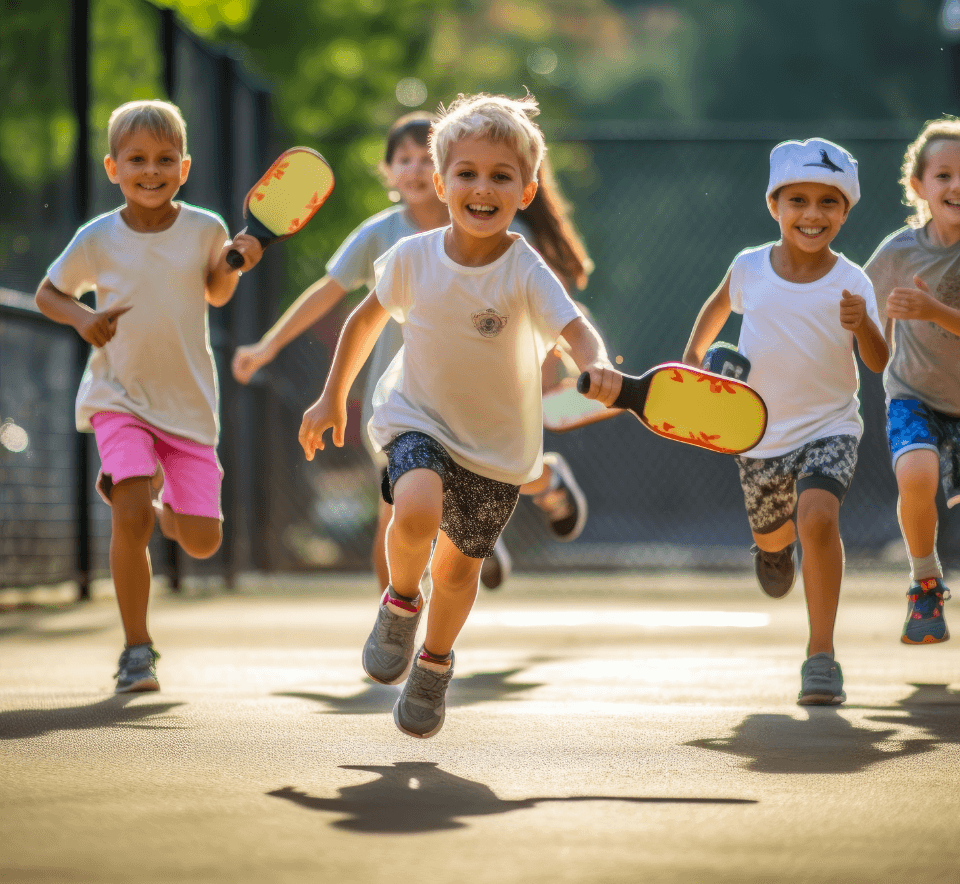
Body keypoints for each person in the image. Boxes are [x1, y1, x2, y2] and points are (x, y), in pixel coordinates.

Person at [297, 91, 619, 738]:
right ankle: (398, 602)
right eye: (467, 173)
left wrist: (600, 362)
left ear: (526, 191)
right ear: (441, 183)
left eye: (502, 176)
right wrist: (332, 394)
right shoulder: (414, 256)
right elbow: (364, 322)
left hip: (497, 447)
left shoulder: (525, 268)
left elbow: (574, 332)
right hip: (418, 418)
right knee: (413, 509)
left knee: (460, 568)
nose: (482, 187)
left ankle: (435, 662)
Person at [231, 113, 590, 593]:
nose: (416, 169)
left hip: (485, 400)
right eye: (405, 159)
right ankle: (396, 624)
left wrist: (565, 359)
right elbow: (329, 292)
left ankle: (540, 484)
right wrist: (268, 345)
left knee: (489, 481)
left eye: (425, 157)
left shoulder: (492, 220)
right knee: (400, 510)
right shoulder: (386, 237)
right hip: (404, 401)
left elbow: (551, 307)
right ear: (390, 173)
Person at [34, 99, 262, 693]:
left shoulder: (207, 229)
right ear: (113, 168)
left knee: (202, 541)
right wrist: (84, 320)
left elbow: (216, 292)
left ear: (184, 169)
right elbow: (48, 294)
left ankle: (149, 502)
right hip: (119, 397)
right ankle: (138, 650)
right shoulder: (97, 238)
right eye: (136, 159)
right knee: (129, 518)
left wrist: (238, 262)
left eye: (165, 160)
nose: (151, 171)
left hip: (188, 407)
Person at [682, 137, 888, 706]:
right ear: (774, 206)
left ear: (845, 212)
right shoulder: (750, 267)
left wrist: (863, 325)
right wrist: (693, 355)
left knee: (818, 517)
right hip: (758, 430)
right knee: (777, 534)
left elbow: (877, 361)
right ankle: (772, 551)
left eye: (828, 202)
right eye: (797, 199)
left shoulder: (853, 281)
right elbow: (718, 303)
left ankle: (821, 654)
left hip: (832, 426)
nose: (812, 214)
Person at [864, 117, 960, 645]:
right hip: (914, 395)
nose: (956, 186)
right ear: (918, 187)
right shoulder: (898, 254)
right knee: (916, 476)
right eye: (943, 175)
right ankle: (925, 583)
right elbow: (854, 310)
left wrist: (930, 308)